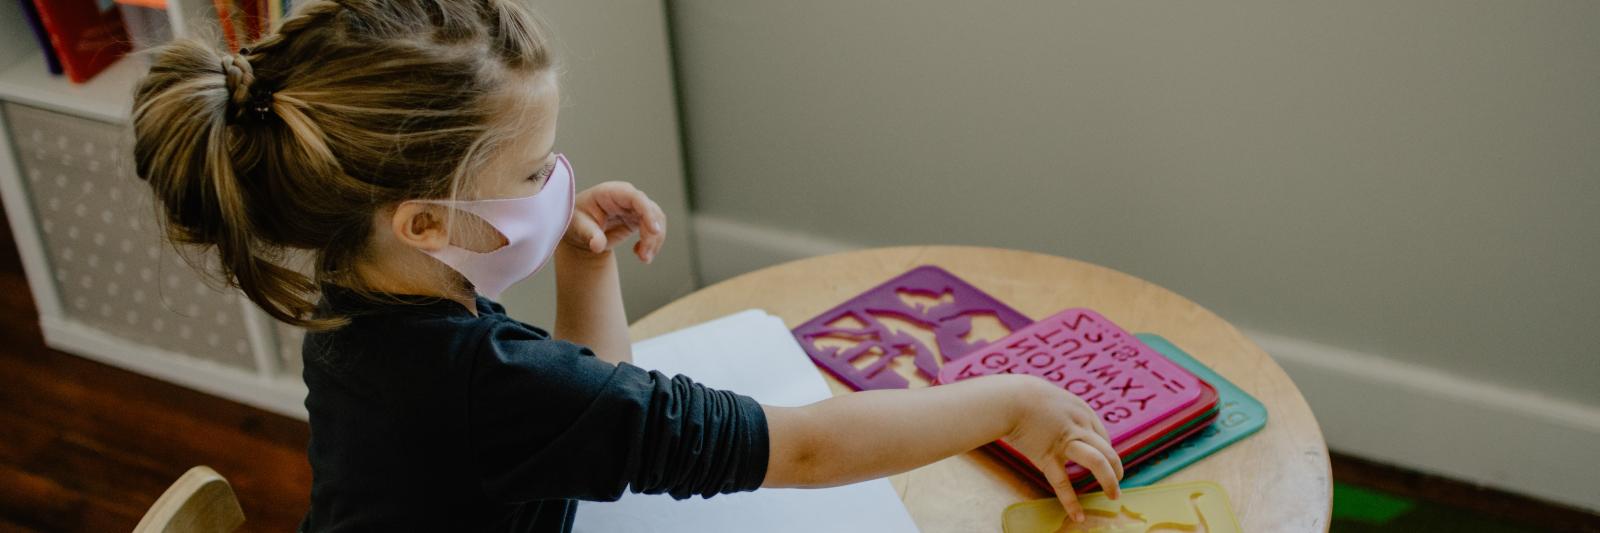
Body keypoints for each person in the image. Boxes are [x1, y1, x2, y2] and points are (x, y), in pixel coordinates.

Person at [128, 0, 1121, 530]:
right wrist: (1004, 399)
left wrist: (577, 260)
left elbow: (580, 412)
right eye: (530, 172)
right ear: (428, 221)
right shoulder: (488, 381)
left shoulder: (354, 299)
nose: (559, 180)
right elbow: (809, 450)